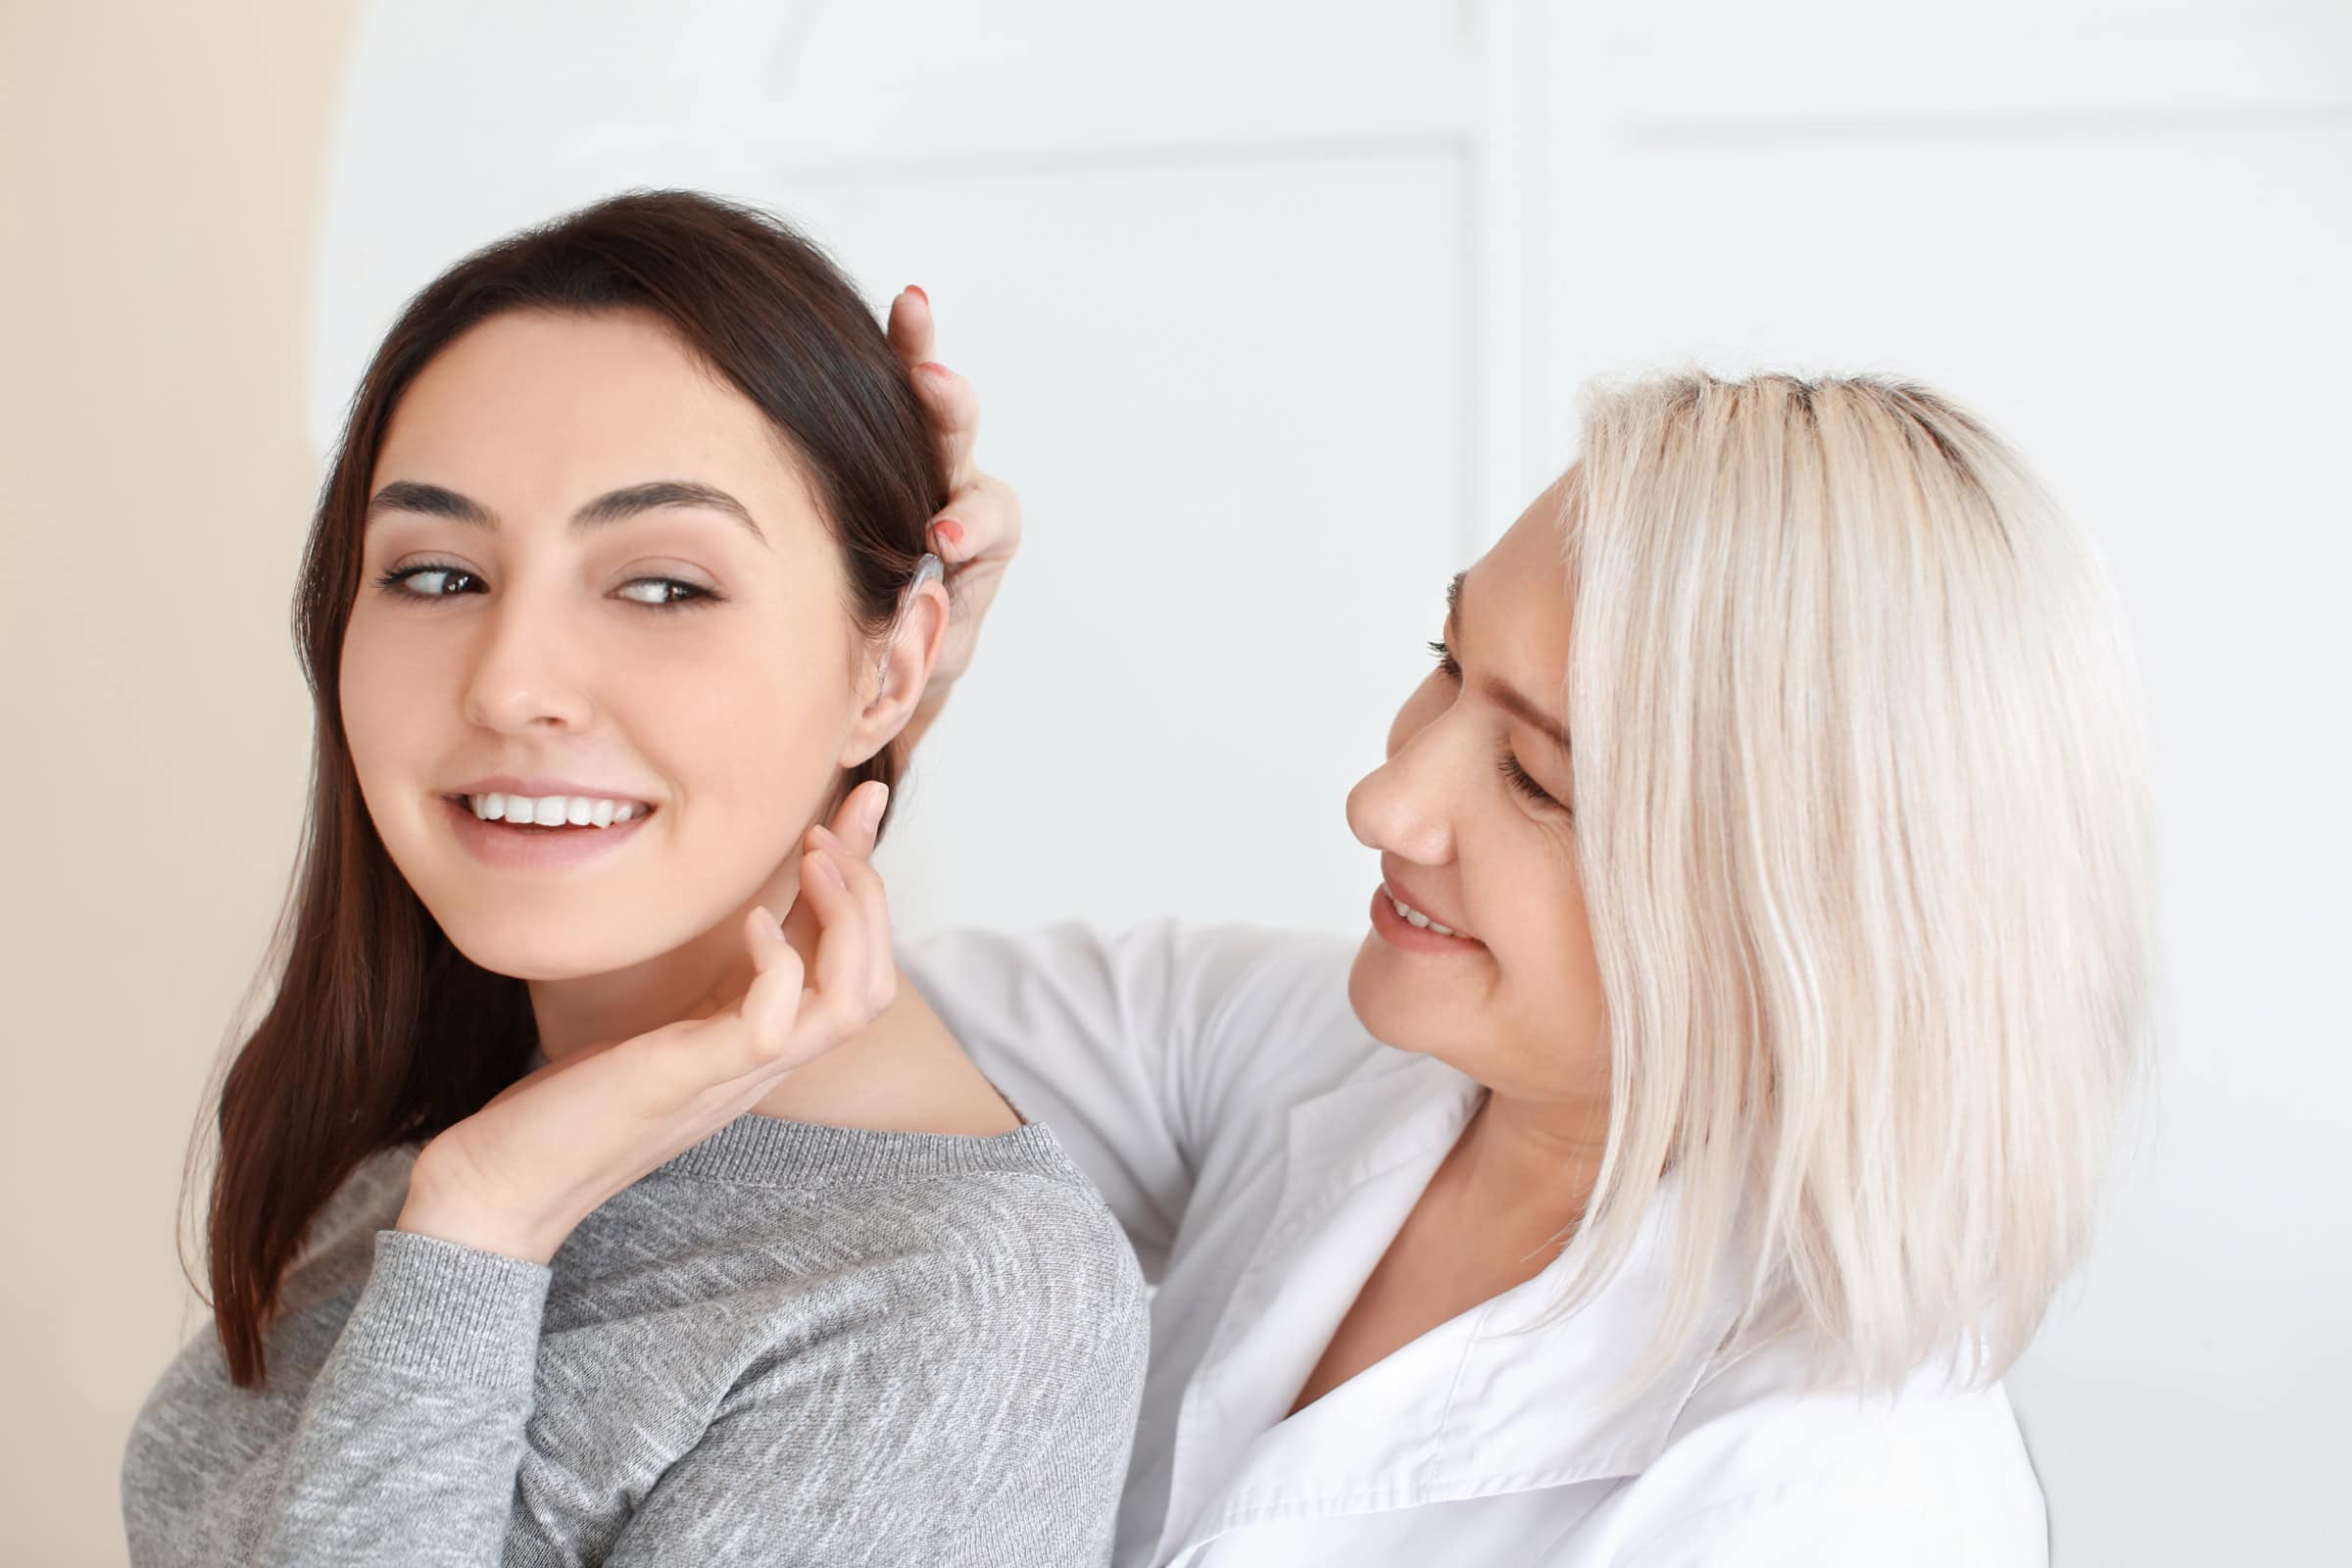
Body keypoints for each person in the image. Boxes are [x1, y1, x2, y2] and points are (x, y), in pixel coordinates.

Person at [885, 291, 2156, 1566]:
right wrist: (870, 709)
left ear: (1805, 915)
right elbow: (793, 1025)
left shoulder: (1834, 1501)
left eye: (1541, 781)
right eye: (1443, 660)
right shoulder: (1313, 1048)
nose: (1384, 800)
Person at [121, 190, 1149, 1567]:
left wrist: (483, 1228)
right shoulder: (469, 1076)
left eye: (664, 586)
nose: (513, 683)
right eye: (435, 574)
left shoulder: (949, 1306)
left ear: (895, 663)